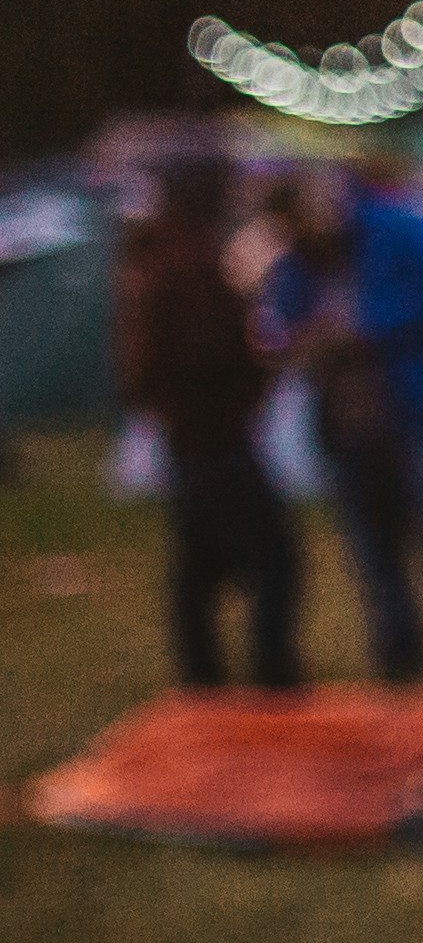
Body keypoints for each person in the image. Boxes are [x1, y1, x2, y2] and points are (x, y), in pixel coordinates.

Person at [266, 153, 423, 681]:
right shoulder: (298, 262)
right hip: (351, 425)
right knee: (376, 553)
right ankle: (401, 661)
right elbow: (285, 320)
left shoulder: (400, 231)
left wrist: (367, 327)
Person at [115, 154, 301, 691]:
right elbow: (207, 355)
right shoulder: (186, 265)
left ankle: (206, 684)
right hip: (212, 436)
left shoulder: (157, 263)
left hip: (194, 437)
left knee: (200, 568)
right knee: (272, 561)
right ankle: (269, 680)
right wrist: (255, 369)